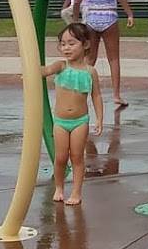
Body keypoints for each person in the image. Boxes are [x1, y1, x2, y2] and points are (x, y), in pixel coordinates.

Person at [41, 22, 103, 205]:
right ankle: (59, 187)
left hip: (80, 121)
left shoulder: (90, 72)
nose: (66, 48)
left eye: (71, 43)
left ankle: (76, 192)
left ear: (85, 45)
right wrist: (31, 70)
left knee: (77, 157)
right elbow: (45, 71)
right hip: (60, 121)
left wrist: (99, 118)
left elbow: (96, 95)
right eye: (62, 43)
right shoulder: (60, 66)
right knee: (60, 157)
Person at [72, 0, 134, 107]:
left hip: (92, 19)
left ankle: (80, 92)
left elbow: (77, 2)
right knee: (113, 59)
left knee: (89, 59)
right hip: (109, 19)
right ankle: (116, 95)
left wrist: (75, 21)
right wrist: (129, 13)